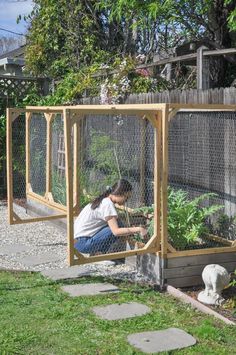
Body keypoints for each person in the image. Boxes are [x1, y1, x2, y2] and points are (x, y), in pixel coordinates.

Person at [74, 179, 147, 256]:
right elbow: (116, 231)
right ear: (120, 193)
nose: (126, 201)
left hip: (77, 241)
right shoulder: (108, 204)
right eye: (127, 197)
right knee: (116, 228)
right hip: (84, 244)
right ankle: (100, 255)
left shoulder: (103, 200)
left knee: (118, 222)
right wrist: (138, 229)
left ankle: (98, 253)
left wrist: (130, 231)